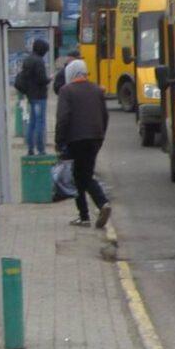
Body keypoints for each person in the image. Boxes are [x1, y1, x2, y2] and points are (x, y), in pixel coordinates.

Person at [55, 59, 112, 228]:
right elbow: (105, 116)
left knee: (80, 177)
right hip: (95, 138)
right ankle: (89, 213)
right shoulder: (96, 89)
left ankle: (98, 206)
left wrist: (59, 142)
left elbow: (63, 119)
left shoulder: (66, 91)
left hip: (75, 139)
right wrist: (100, 137)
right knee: (83, 176)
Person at [15, 39, 51, 156]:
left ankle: (30, 148)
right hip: (39, 97)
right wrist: (49, 79)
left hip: (31, 96)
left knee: (32, 123)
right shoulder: (39, 61)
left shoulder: (28, 59)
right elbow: (41, 80)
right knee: (40, 123)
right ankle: (41, 149)